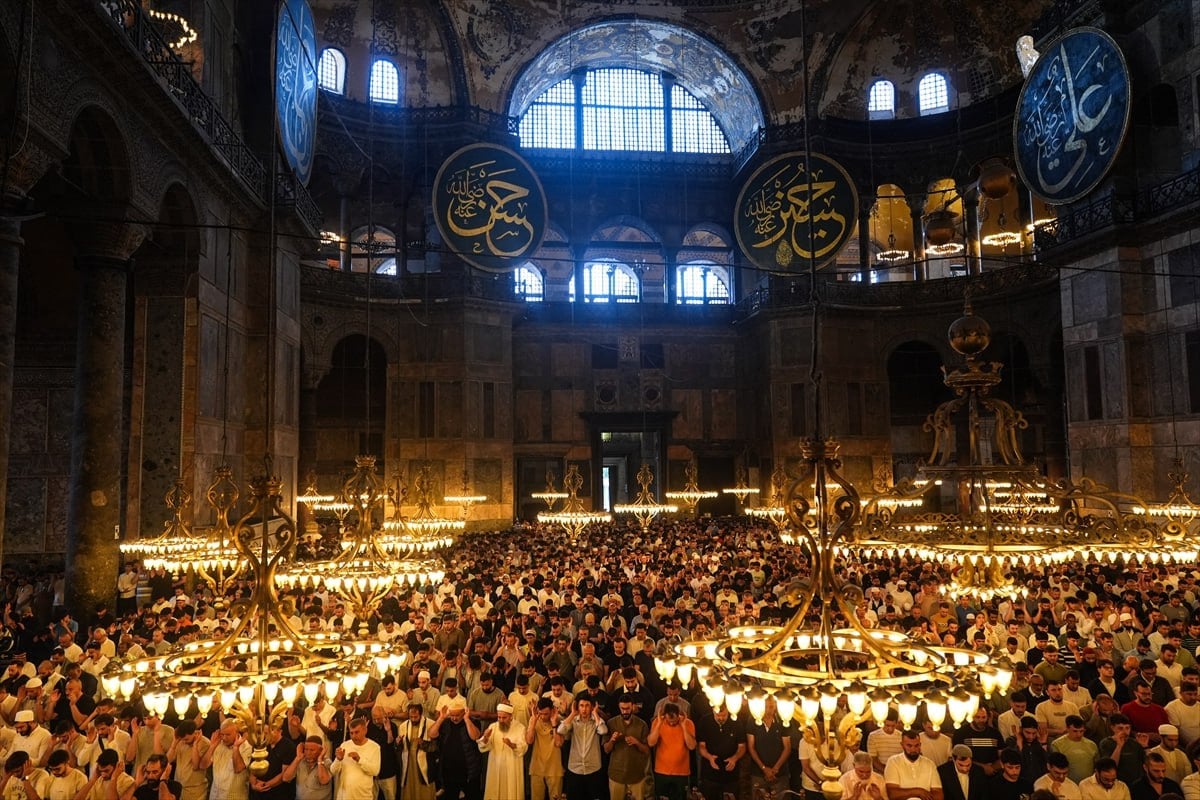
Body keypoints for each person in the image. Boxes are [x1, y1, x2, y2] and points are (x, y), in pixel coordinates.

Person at [428, 698, 482, 800]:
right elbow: (431, 734)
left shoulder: (473, 721)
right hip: (448, 769)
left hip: (467, 768)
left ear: (463, 712)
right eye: (452, 715)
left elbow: (475, 736)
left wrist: (467, 719)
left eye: (457, 715)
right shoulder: (445, 723)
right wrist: (441, 718)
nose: (454, 718)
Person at [557, 695, 607, 800]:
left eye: (587, 706)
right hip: (575, 768)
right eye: (581, 706)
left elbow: (603, 731)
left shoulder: (596, 720)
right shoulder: (573, 720)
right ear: (578, 707)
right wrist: (572, 714)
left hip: (593, 768)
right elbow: (560, 730)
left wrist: (595, 713)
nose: (584, 709)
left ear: (592, 707)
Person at [604, 693, 650, 800]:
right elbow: (606, 749)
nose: (625, 711)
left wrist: (636, 742)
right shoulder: (611, 723)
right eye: (622, 708)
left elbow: (646, 751)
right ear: (619, 707)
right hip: (616, 775)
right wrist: (612, 740)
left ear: (633, 706)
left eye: (627, 708)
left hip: (637, 775)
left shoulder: (642, 724)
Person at [477, 702, 527, 800]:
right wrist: (485, 737)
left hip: (512, 768)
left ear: (511, 716)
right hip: (495, 767)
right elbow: (483, 746)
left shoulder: (520, 728)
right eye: (499, 717)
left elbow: (523, 748)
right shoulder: (493, 727)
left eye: (504, 718)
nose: (501, 720)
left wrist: (511, 745)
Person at [695, 702, 745, 800]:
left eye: (724, 715)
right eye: (718, 715)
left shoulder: (736, 721)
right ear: (713, 711)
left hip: (731, 776)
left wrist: (734, 758)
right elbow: (701, 746)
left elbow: (742, 746)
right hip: (710, 775)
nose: (721, 718)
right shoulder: (705, 721)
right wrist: (709, 757)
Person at [646, 702, 695, 800]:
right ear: (664, 715)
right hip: (661, 772)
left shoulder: (688, 723)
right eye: (669, 721)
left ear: (679, 715)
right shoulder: (657, 722)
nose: (672, 723)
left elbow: (692, 746)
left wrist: (683, 726)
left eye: (674, 721)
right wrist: (659, 723)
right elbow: (651, 743)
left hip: (681, 773)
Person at [747, 697, 790, 797]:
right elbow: (751, 747)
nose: (768, 710)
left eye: (771, 707)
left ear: (775, 706)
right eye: (765, 707)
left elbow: (787, 747)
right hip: (758, 772)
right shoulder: (752, 719)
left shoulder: (783, 719)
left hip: (780, 772)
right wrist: (764, 768)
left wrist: (775, 768)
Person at [883, 728, 942, 800]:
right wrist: (918, 791)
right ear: (902, 745)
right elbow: (892, 794)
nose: (913, 749)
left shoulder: (929, 764)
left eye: (916, 745)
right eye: (909, 746)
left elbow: (939, 795)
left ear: (920, 745)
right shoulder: (893, 762)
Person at [331, 717, 381, 800]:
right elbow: (333, 771)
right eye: (351, 733)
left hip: (363, 796)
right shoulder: (345, 745)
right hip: (344, 796)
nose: (354, 736)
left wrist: (359, 760)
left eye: (357, 732)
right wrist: (338, 759)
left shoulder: (374, 747)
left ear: (365, 730)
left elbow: (375, 771)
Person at [199, 720, 251, 800]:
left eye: (228, 734)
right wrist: (212, 746)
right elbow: (203, 766)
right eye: (222, 734)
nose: (224, 738)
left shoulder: (246, 747)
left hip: (234, 796)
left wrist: (236, 747)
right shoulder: (219, 744)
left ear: (237, 732)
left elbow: (238, 768)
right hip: (215, 796)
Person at [395, 704, 435, 800]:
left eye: (415, 717)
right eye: (411, 717)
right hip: (409, 763)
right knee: (409, 789)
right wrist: (398, 743)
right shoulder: (403, 726)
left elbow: (435, 747)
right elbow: (399, 748)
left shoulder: (431, 724)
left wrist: (423, 743)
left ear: (421, 714)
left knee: (424, 790)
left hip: (425, 762)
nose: (413, 719)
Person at [525, 698, 563, 800]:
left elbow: (558, 743)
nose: (542, 716)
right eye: (540, 713)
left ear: (552, 710)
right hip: (537, 766)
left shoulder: (559, 720)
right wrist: (533, 721)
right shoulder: (534, 719)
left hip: (554, 767)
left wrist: (554, 724)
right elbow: (529, 741)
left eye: (546, 714)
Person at [165, 720, 208, 800]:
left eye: (186, 739)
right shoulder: (180, 741)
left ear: (194, 732)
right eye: (183, 739)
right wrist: (174, 744)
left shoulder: (204, 743)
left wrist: (195, 745)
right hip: (179, 787)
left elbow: (195, 766)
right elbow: (168, 760)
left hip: (195, 790)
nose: (184, 741)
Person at [281, 736, 332, 800]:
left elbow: (324, 780)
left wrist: (320, 760)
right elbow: (285, 778)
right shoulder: (300, 761)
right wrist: (297, 758)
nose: (308, 753)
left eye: (312, 750)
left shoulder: (327, 762)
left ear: (320, 750)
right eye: (306, 749)